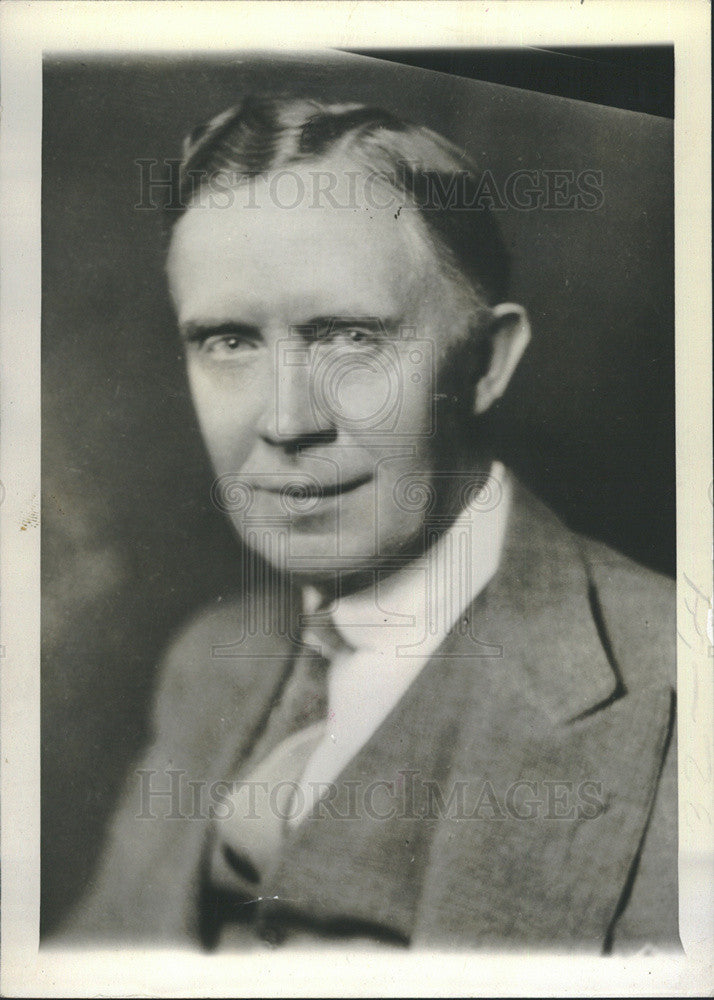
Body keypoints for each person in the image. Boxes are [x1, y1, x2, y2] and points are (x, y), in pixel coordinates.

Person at [60, 96, 678, 952]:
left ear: (487, 363)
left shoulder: (681, 687)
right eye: (229, 342)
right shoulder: (209, 661)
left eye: (350, 336)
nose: (285, 421)